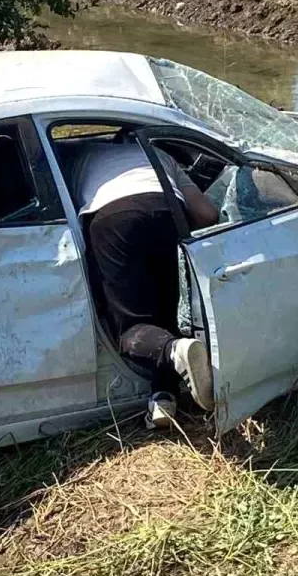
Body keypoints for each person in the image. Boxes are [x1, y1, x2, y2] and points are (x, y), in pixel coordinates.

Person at [69, 139, 220, 428]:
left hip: (112, 220)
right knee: (166, 314)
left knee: (130, 329)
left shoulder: (78, 155)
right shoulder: (157, 153)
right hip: (168, 210)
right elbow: (207, 214)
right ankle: (163, 399)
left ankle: (175, 352)